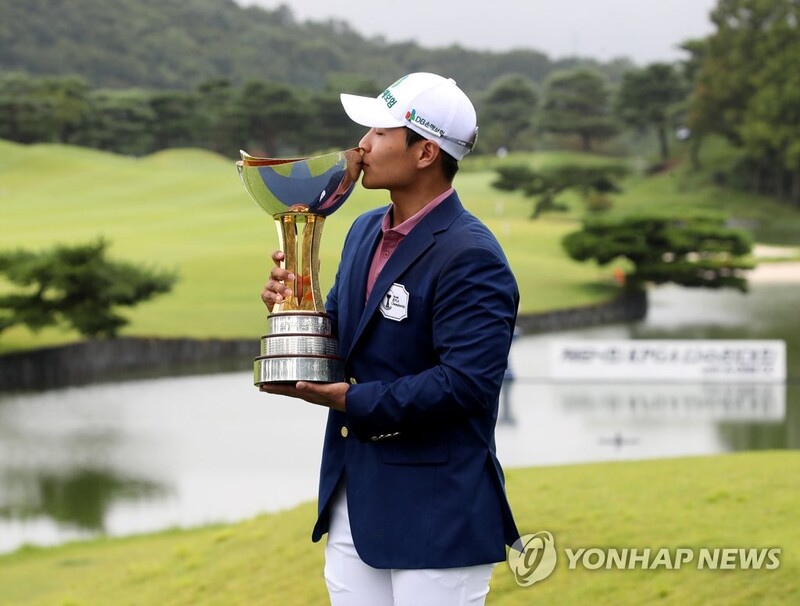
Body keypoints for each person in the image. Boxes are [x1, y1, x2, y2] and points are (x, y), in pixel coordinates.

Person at [260, 72, 520, 606]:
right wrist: (294, 311)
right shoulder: (361, 230)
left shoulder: (471, 255)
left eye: (380, 134)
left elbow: (466, 385)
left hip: (438, 514)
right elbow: (341, 342)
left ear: (425, 152)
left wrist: (351, 399)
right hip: (354, 502)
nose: (362, 146)